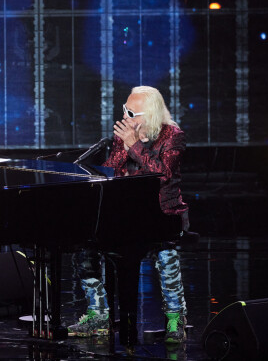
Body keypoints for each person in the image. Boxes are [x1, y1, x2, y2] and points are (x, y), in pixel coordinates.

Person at [68, 86, 190, 344]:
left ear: (150, 114)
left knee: (166, 256)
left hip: (162, 212)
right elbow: (109, 172)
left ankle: (175, 317)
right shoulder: (124, 137)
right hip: (125, 214)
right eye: (124, 109)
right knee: (83, 250)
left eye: (131, 112)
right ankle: (98, 314)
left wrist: (135, 146)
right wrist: (125, 146)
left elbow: (163, 173)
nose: (125, 116)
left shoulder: (173, 136)